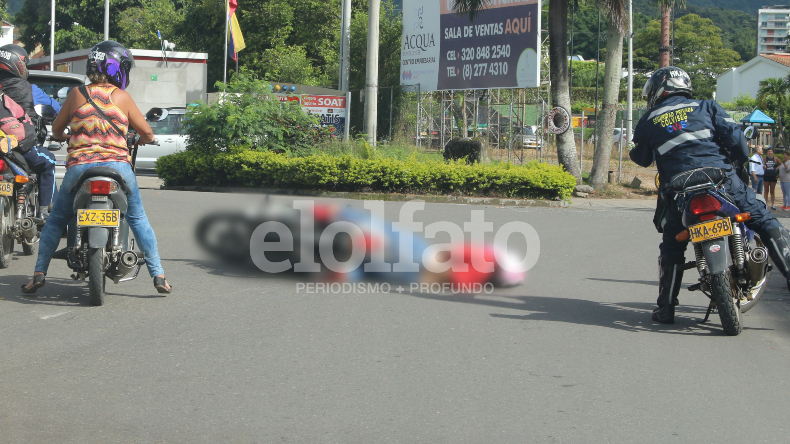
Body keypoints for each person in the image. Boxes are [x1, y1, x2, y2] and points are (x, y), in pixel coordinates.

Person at [630, 66, 790, 324]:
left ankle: (667, 308)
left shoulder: (649, 119)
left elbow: (641, 158)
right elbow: (736, 139)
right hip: (722, 180)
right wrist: (740, 166)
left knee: (672, 245)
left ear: (660, 89)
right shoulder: (706, 106)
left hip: (678, 189)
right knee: (764, 219)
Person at [21, 40, 172, 294]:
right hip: (117, 167)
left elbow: (57, 129)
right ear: (117, 69)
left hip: (80, 168)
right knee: (137, 218)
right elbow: (145, 131)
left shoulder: (77, 94)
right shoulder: (121, 97)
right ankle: (158, 276)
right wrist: (148, 138)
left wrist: (62, 136)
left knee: (57, 219)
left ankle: (38, 273)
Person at [0, 44, 56, 220]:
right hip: (23, 147)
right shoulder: (30, 90)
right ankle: (45, 211)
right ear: (19, 64)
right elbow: (58, 110)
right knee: (49, 162)